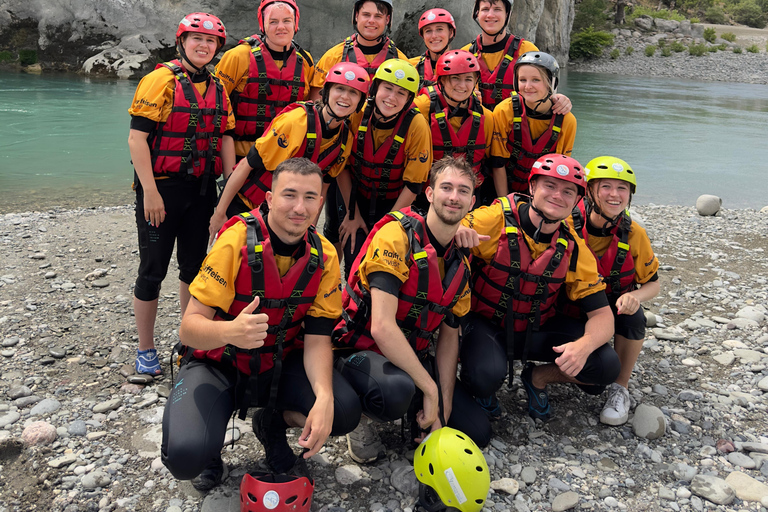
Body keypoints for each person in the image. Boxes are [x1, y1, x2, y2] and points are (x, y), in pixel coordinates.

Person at [161, 158, 362, 492]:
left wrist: (324, 395)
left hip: (278, 364)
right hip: (221, 363)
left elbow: (316, 340)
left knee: (341, 410)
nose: (300, 207)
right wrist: (230, 331)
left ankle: (270, 422)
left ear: (321, 203)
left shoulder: (325, 255)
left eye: (310, 197)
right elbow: (189, 328)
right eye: (289, 195)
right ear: (269, 199)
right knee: (184, 457)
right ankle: (210, 448)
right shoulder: (235, 240)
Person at [333, 157, 492, 465]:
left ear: (472, 202)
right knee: (395, 391)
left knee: (477, 431)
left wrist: (441, 412)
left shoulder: (461, 262)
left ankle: (425, 408)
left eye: (462, 191)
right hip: (358, 350)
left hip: (410, 354)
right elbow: (381, 326)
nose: (454, 197)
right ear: (430, 194)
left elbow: (448, 339)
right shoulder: (397, 236)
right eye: (446, 187)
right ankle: (362, 419)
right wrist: (429, 389)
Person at [455, 154, 619, 425]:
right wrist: (458, 232)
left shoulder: (574, 247)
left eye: (568, 191)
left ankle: (537, 378)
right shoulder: (494, 218)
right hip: (488, 324)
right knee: (484, 376)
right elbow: (449, 228)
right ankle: (482, 388)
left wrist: (583, 346)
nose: (558, 196)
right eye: (549, 186)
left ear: (578, 200)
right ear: (532, 187)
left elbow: (602, 315)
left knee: (605, 366)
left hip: (537, 329)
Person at [127, 12, 236, 376]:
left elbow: (224, 136)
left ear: (218, 48)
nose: (203, 46)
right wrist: (150, 192)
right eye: (197, 39)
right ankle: (145, 348)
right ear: (182, 42)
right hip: (161, 191)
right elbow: (137, 138)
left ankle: (190, 341)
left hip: (201, 191)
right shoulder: (160, 80)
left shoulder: (218, 87)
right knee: (152, 270)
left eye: (211, 41)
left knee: (193, 268)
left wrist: (227, 185)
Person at [209, 62, 370, 237]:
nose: (345, 97)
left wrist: (310, 229)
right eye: (339, 89)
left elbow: (321, 189)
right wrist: (220, 213)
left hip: (286, 218)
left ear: (360, 102)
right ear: (327, 92)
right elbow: (246, 165)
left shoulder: (344, 139)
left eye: (353, 93)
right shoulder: (294, 121)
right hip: (247, 207)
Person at [568, 156, 660, 425]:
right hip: (571, 305)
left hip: (610, 305)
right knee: (592, 380)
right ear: (589, 190)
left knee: (635, 316)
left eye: (622, 188)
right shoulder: (566, 224)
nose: (614, 195)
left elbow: (653, 283)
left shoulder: (634, 234)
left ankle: (621, 388)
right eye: (605, 186)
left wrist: (635, 296)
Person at [331, 59, 433, 278]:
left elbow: (414, 185)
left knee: (383, 261)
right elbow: (342, 167)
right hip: (355, 197)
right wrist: (352, 214)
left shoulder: (416, 125)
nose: (391, 98)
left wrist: (388, 224)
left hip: (395, 203)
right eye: (387, 88)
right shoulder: (357, 114)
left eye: (401, 93)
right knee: (353, 256)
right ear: (375, 88)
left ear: (408, 100)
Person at [215, 0, 314, 162]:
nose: (280, 27)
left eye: (287, 21)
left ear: (296, 24)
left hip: (285, 155)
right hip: (240, 154)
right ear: (263, 25)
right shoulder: (238, 56)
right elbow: (216, 104)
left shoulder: (305, 61)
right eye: (273, 22)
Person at [412, 50, 494, 207]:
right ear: (441, 81)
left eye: (468, 79)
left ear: (476, 81)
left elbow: (493, 163)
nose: (462, 86)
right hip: (428, 195)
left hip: (468, 196)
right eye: (455, 78)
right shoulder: (422, 107)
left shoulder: (487, 117)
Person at [489, 51, 576, 198]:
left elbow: (559, 170)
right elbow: (498, 163)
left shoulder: (567, 121)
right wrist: (505, 204)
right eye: (522, 80)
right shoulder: (504, 111)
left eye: (536, 80)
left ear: (552, 83)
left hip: (541, 194)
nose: (528, 86)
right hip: (500, 189)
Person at [462, 0, 571, 114]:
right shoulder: (464, 54)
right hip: (478, 126)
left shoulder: (528, 51)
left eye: (497, 9)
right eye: (485, 9)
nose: (490, 15)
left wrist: (559, 99)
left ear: (507, 14)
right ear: (477, 13)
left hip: (514, 126)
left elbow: (546, 92)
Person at [309, 0, 408, 98]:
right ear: (356, 16)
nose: (371, 20)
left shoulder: (401, 62)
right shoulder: (333, 57)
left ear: (387, 20)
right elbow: (316, 102)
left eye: (378, 16)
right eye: (366, 15)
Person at [408, 8, 456, 91]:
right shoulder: (410, 66)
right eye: (428, 31)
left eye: (439, 29)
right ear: (423, 36)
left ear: (451, 32)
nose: (434, 36)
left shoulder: (463, 67)